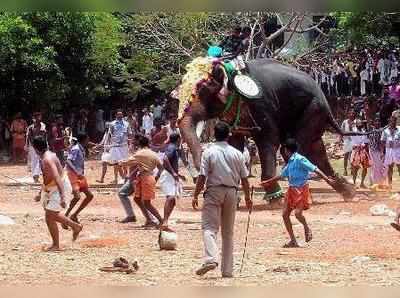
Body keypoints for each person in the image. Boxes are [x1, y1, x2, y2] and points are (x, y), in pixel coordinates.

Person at [192, 122, 252, 278]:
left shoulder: (209, 152)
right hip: (232, 192)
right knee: (228, 233)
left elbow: (202, 176)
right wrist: (247, 197)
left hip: (214, 191)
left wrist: (195, 194)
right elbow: (245, 179)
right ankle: (227, 270)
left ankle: (211, 258)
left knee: (209, 227)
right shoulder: (237, 154)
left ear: (213, 134)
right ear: (229, 135)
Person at [261, 139, 334, 248]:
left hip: (301, 189)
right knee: (285, 215)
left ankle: (306, 227)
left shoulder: (300, 159)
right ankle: (293, 240)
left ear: (287, 150)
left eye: (285, 149)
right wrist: (268, 182)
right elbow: (282, 175)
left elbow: (315, 169)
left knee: (298, 214)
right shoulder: (290, 161)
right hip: (291, 190)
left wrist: (327, 179)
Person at [32, 136, 82, 251]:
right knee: (50, 215)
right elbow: (47, 177)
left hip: (60, 187)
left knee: (50, 215)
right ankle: (73, 228)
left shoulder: (47, 159)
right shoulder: (47, 155)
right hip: (52, 187)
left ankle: (61, 240)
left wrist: (63, 196)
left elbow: (56, 177)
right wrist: (40, 192)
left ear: (36, 149)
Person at [119, 134, 163, 227]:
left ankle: (161, 220)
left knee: (147, 203)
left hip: (145, 178)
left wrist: (118, 163)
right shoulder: (153, 153)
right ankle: (149, 220)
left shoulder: (140, 154)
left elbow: (127, 162)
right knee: (137, 199)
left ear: (139, 143)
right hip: (147, 178)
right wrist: (156, 177)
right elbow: (160, 167)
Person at [63, 134, 94, 225]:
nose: (88, 141)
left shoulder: (81, 149)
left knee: (89, 196)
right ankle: (65, 216)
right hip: (73, 174)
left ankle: (74, 215)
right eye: (87, 140)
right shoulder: (76, 149)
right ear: (83, 140)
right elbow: (68, 161)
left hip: (79, 175)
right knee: (77, 197)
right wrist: (77, 172)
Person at [159, 133, 186, 230]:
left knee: (173, 201)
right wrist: (173, 173)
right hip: (167, 176)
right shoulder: (172, 147)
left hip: (170, 175)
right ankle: (165, 221)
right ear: (178, 139)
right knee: (170, 198)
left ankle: (164, 221)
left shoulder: (173, 148)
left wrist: (178, 175)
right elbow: (165, 159)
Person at [109, 109, 132, 184]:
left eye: (121, 114)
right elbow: (110, 134)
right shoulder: (112, 124)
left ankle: (126, 178)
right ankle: (115, 179)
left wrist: (130, 143)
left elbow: (129, 133)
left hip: (124, 146)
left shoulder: (126, 124)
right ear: (115, 115)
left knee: (125, 162)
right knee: (115, 163)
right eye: (118, 114)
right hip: (115, 145)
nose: (120, 116)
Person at [26, 112, 47, 183]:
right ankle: (35, 176)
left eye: (40, 117)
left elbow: (43, 135)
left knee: (40, 160)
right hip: (33, 146)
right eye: (38, 117)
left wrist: (45, 145)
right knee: (34, 161)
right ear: (34, 118)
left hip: (40, 145)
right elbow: (29, 137)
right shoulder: (30, 127)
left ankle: (37, 175)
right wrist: (29, 145)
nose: (40, 118)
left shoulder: (43, 126)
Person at [350, 119, 370, 188]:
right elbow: (352, 140)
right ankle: (354, 183)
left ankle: (362, 183)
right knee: (355, 167)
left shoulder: (364, 131)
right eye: (359, 124)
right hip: (356, 150)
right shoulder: (353, 130)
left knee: (365, 167)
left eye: (361, 124)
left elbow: (366, 141)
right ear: (356, 124)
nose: (360, 125)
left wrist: (365, 148)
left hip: (363, 150)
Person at [381, 116, 400, 188]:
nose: (393, 122)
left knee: (399, 167)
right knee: (390, 167)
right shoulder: (385, 131)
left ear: (396, 121)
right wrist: (383, 152)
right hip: (389, 150)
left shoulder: (399, 129)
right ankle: (390, 184)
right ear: (389, 122)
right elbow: (382, 142)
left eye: (394, 121)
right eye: (391, 121)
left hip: (397, 150)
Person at [368, 118, 387, 187]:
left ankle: (379, 182)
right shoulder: (370, 130)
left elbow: (382, 142)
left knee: (379, 167)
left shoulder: (382, 130)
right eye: (376, 121)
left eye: (378, 121)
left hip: (379, 151)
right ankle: (373, 182)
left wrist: (382, 152)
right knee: (373, 166)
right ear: (374, 123)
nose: (377, 122)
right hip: (372, 150)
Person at [341, 111, 356, 176]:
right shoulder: (345, 122)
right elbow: (341, 130)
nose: (351, 114)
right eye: (350, 113)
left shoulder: (356, 122)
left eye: (353, 113)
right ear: (348, 114)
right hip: (346, 141)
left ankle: (352, 170)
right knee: (346, 156)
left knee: (352, 156)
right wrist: (340, 139)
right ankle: (345, 170)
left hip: (353, 141)